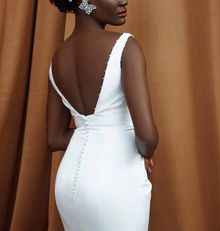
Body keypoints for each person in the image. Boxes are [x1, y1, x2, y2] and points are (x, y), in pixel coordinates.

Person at [46, 0, 159, 230]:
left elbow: (54, 138)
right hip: (114, 183)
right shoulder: (126, 47)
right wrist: (143, 151)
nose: (123, 0)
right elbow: (147, 137)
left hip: (67, 186)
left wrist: (94, 134)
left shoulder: (58, 58)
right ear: (85, 1)